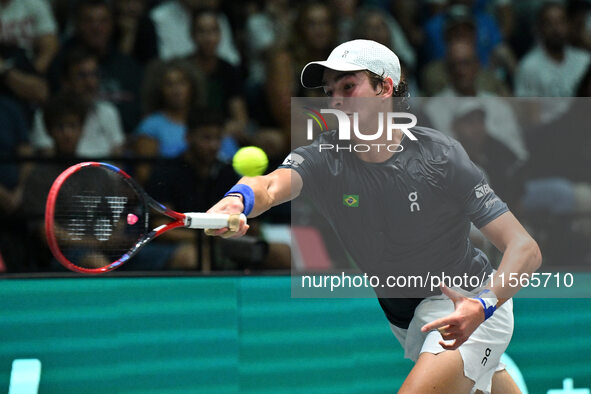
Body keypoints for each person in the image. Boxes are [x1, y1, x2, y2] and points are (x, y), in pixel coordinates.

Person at [205, 39, 542, 393]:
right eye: (330, 90)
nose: (335, 100)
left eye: (349, 86)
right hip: (407, 320)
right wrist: (236, 200)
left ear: (385, 87)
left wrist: (482, 305)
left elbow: (525, 247)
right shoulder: (324, 158)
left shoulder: (439, 157)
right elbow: (270, 186)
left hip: (465, 301)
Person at [30, 47, 125, 157]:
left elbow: (118, 162)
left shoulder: (108, 112)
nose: (90, 83)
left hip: (103, 173)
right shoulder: (45, 114)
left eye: (94, 74)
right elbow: (49, 161)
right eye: (82, 76)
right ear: (66, 82)